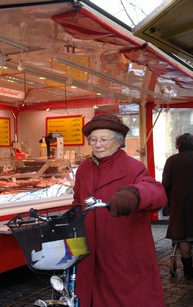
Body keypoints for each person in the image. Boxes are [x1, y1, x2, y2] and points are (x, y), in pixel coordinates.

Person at [72, 114, 167, 306]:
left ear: (119, 142)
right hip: (89, 254)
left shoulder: (133, 167)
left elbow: (157, 193)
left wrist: (135, 194)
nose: (97, 144)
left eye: (103, 139)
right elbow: (77, 203)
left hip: (122, 256)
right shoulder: (84, 168)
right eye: (93, 140)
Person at [162, 132, 193, 280]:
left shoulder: (172, 161)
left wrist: (168, 204)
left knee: (184, 236)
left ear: (178, 145)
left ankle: (188, 271)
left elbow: (166, 185)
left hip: (180, 204)